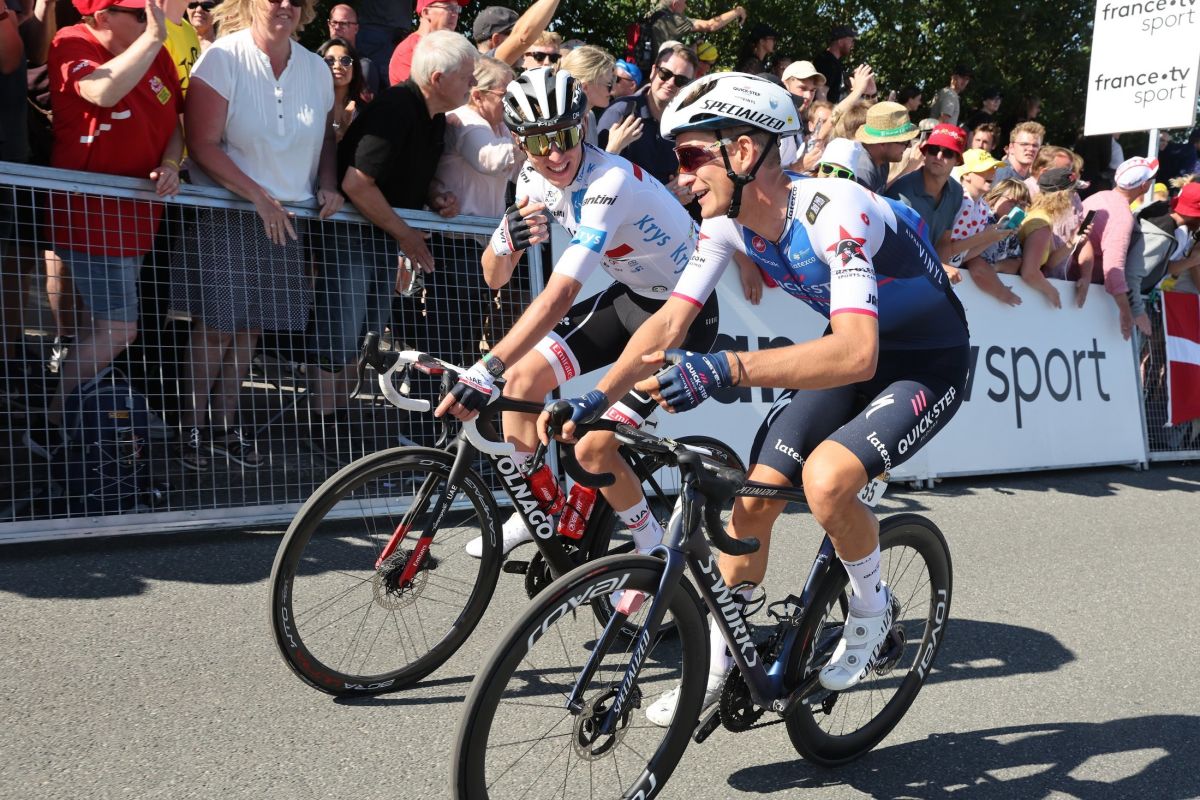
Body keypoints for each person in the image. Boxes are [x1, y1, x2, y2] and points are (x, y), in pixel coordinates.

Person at [560, 72, 968, 724]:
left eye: (691, 158)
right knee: (751, 504)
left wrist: (727, 367)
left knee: (827, 480)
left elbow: (858, 355)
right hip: (852, 350)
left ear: (744, 153)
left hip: (925, 364)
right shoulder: (726, 227)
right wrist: (600, 400)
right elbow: (668, 324)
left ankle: (872, 609)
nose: (682, 178)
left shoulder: (835, 211)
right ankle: (722, 665)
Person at [433, 66, 721, 560]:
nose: (555, 154)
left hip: (683, 316)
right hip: (632, 297)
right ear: (519, 141)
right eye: (539, 141)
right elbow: (494, 278)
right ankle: (537, 510)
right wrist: (503, 242)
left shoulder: (610, 180)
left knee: (592, 445)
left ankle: (651, 546)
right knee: (521, 382)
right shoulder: (530, 178)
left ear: (583, 125)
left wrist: (485, 368)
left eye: (565, 136)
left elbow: (562, 294)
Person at [176, 0, 341, 470]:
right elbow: (201, 143)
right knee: (216, 328)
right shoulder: (222, 56)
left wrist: (328, 182)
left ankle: (225, 426)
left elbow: (328, 137)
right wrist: (257, 196)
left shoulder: (316, 68)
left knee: (250, 330)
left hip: (286, 216)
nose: (285, 5)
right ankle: (191, 430)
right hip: (228, 212)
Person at [29, 0, 184, 459]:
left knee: (100, 328)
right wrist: (153, 37)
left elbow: (175, 123)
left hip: (136, 217)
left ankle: (81, 423)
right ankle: (51, 422)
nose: (149, 20)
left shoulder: (155, 50)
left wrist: (171, 163)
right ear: (102, 17)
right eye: (138, 13)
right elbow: (101, 92)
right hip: (91, 216)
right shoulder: (72, 40)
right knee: (118, 329)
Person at [307, 30, 473, 437]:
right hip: (352, 233)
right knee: (341, 330)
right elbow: (357, 183)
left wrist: (435, 195)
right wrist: (407, 235)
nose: (473, 83)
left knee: (366, 332)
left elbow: (401, 175)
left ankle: (339, 421)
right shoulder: (396, 108)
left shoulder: (431, 117)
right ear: (438, 78)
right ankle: (323, 424)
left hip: (379, 234)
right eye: (467, 75)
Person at [432, 55, 523, 351]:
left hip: (480, 241)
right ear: (478, 95)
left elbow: (517, 172)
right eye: (505, 95)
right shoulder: (464, 119)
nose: (512, 103)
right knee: (452, 331)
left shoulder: (500, 127)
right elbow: (489, 159)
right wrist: (530, 137)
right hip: (455, 240)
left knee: (469, 327)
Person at [597, 44, 697, 192]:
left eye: (681, 80)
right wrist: (665, 195)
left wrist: (683, 188)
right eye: (665, 73)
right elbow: (596, 176)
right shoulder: (621, 112)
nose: (670, 83)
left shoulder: (683, 124)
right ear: (653, 71)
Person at [1080, 156, 1157, 339]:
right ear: (1144, 185)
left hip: (1074, 284)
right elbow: (1113, 270)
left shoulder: (1098, 197)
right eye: (1152, 178)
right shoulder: (1121, 216)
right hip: (1082, 293)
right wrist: (1127, 312)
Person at [886, 123, 967, 281]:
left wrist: (939, 278)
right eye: (934, 149)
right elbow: (896, 248)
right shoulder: (901, 191)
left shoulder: (956, 191)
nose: (939, 156)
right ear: (925, 152)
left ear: (957, 160)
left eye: (948, 153)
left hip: (923, 276)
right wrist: (938, 268)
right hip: (892, 274)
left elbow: (943, 241)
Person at [944, 148, 1022, 305]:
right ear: (967, 174)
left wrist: (995, 236)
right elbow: (945, 251)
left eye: (993, 168)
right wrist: (985, 237)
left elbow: (962, 256)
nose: (992, 172)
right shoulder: (956, 201)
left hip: (951, 278)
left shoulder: (982, 207)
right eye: (984, 169)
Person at [1016, 167, 1088, 309]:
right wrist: (1052, 291)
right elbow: (1029, 272)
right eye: (1072, 192)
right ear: (1061, 196)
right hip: (1024, 297)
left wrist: (1074, 239)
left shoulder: (1042, 217)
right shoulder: (1041, 222)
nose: (1074, 197)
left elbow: (1050, 263)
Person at [387, 0, 465, 86]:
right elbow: (426, 92)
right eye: (449, 8)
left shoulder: (450, 49)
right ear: (426, 12)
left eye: (456, 8)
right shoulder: (410, 50)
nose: (455, 14)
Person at [645, 0, 744, 63]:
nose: (685, 7)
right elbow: (711, 25)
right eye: (685, 2)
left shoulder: (653, 13)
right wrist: (738, 11)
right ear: (675, 4)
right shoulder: (673, 20)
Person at [853, 101, 919, 193]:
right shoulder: (864, 171)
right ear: (882, 143)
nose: (909, 146)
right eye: (904, 142)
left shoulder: (883, 161)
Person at [558, 44, 613, 146]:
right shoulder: (562, 124)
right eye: (609, 85)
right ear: (585, 87)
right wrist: (614, 147)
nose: (612, 91)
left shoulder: (589, 116)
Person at [327, 4, 382, 99]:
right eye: (334, 22)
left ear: (356, 29)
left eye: (344, 23)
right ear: (328, 25)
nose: (337, 27)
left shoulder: (364, 67)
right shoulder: (318, 61)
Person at [318, 37, 363, 141]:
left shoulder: (364, 112)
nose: (337, 66)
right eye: (329, 60)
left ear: (354, 70)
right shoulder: (308, 106)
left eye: (345, 60)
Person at [813, 23, 855, 102]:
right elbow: (821, 95)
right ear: (840, 41)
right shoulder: (826, 61)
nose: (852, 45)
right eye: (851, 41)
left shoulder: (834, 62)